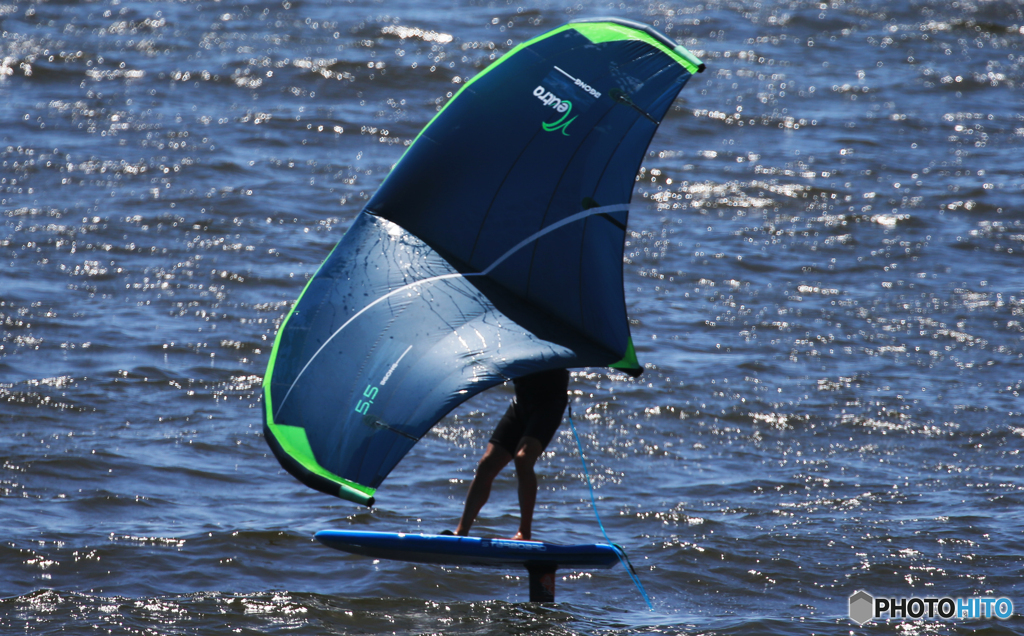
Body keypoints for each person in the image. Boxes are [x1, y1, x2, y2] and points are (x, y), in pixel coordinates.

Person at [452, 368, 570, 541]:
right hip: (521, 401)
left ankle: (524, 532)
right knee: (487, 464)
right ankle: (461, 531)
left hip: (549, 403)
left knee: (523, 458)